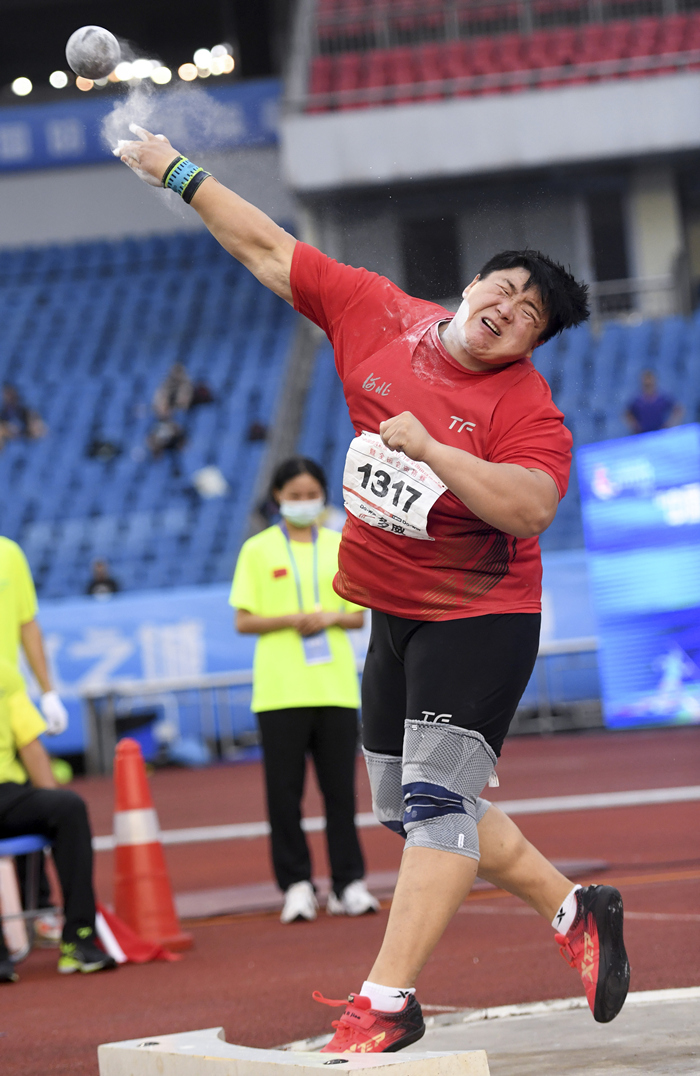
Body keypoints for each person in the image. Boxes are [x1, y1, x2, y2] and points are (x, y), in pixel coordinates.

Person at [117, 130, 631, 1048]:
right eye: (503, 290)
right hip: (392, 613)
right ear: (470, 285)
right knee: (406, 808)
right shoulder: (376, 314)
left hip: (481, 617)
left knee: (437, 806)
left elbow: (530, 508)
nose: (509, 310)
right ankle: (574, 911)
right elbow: (269, 248)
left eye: (530, 314)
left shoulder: (525, 409)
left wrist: (436, 450)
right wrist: (177, 172)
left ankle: (386, 1003)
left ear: (534, 343)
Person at [231, 456, 378, 923]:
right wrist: (291, 620)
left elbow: (357, 614)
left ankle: (347, 883)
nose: (302, 503)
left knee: (341, 793)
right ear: (277, 498)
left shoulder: (340, 543)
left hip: (334, 687)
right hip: (279, 692)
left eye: (310, 494)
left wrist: (329, 616)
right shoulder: (257, 550)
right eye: (293, 496)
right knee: (283, 795)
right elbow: (243, 619)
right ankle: (296, 885)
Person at [0, 657, 117, 981]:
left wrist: (48, 801)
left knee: (68, 807)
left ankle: (79, 939)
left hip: (5, 792)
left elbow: (30, 745)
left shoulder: (4, 672)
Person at [0, 536, 70, 946]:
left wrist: (47, 691)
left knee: (32, 798)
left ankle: (38, 907)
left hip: (9, 697)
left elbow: (27, 622)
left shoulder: (9, 554)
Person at [624, 369, 683, 434]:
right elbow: (627, 414)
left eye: (650, 383)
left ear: (654, 382)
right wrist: (636, 427)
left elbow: (678, 410)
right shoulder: (637, 400)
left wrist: (669, 425)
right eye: (646, 384)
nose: (648, 384)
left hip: (659, 434)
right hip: (642, 435)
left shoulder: (663, 398)